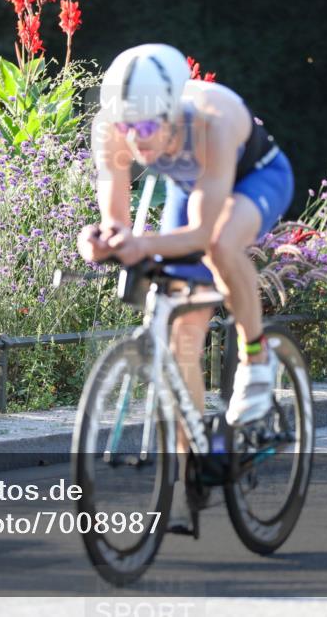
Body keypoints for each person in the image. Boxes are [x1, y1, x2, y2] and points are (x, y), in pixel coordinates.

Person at [76, 42, 294, 531]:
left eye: (149, 128)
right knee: (181, 344)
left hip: (253, 179)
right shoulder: (116, 125)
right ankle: (188, 471)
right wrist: (102, 241)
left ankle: (256, 360)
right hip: (192, 186)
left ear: (175, 110)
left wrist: (143, 243)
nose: (137, 142)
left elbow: (198, 233)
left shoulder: (211, 121)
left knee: (219, 245)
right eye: (128, 128)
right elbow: (117, 219)